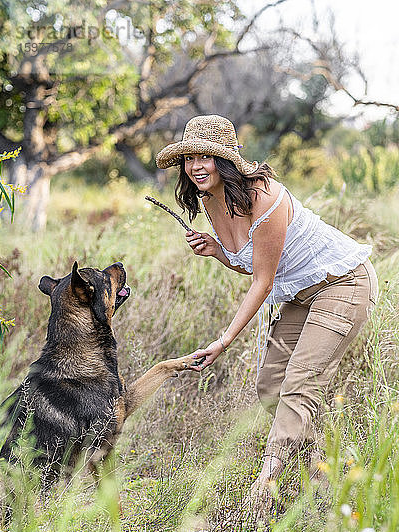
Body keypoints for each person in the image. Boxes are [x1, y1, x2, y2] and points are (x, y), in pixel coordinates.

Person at [155, 114, 379, 509]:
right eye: (188, 159)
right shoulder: (210, 199)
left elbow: (263, 281)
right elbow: (250, 264)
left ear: (224, 159)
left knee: (298, 382)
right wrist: (217, 251)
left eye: (204, 157)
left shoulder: (263, 194)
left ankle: (267, 481)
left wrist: (224, 341)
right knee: (271, 384)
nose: (195, 167)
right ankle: (324, 471)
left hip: (342, 283)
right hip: (299, 293)